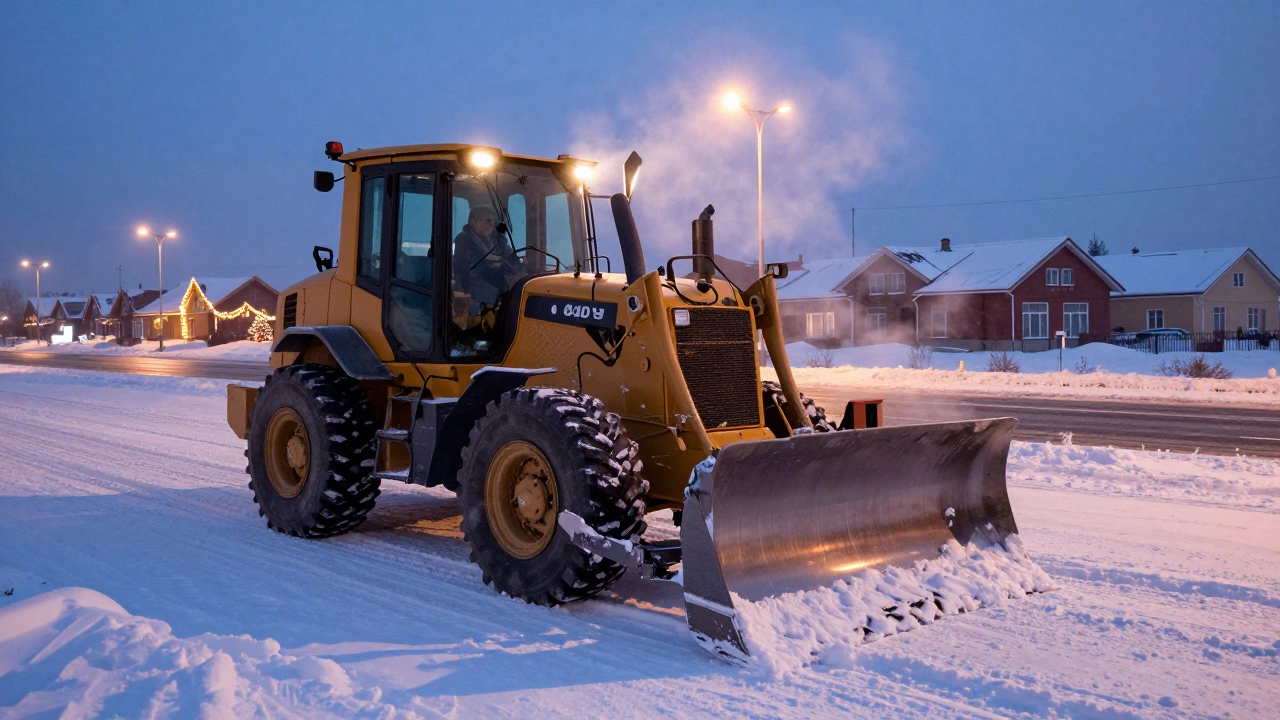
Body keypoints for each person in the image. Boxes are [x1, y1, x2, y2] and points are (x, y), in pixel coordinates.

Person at [451, 206, 521, 346]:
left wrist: (518, 272)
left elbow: (513, 262)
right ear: (473, 222)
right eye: (486, 220)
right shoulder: (464, 242)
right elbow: (466, 271)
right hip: (473, 293)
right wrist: (497, 268)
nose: (491, 224)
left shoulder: (500, 242)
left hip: (499, 291)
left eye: (492, 221)